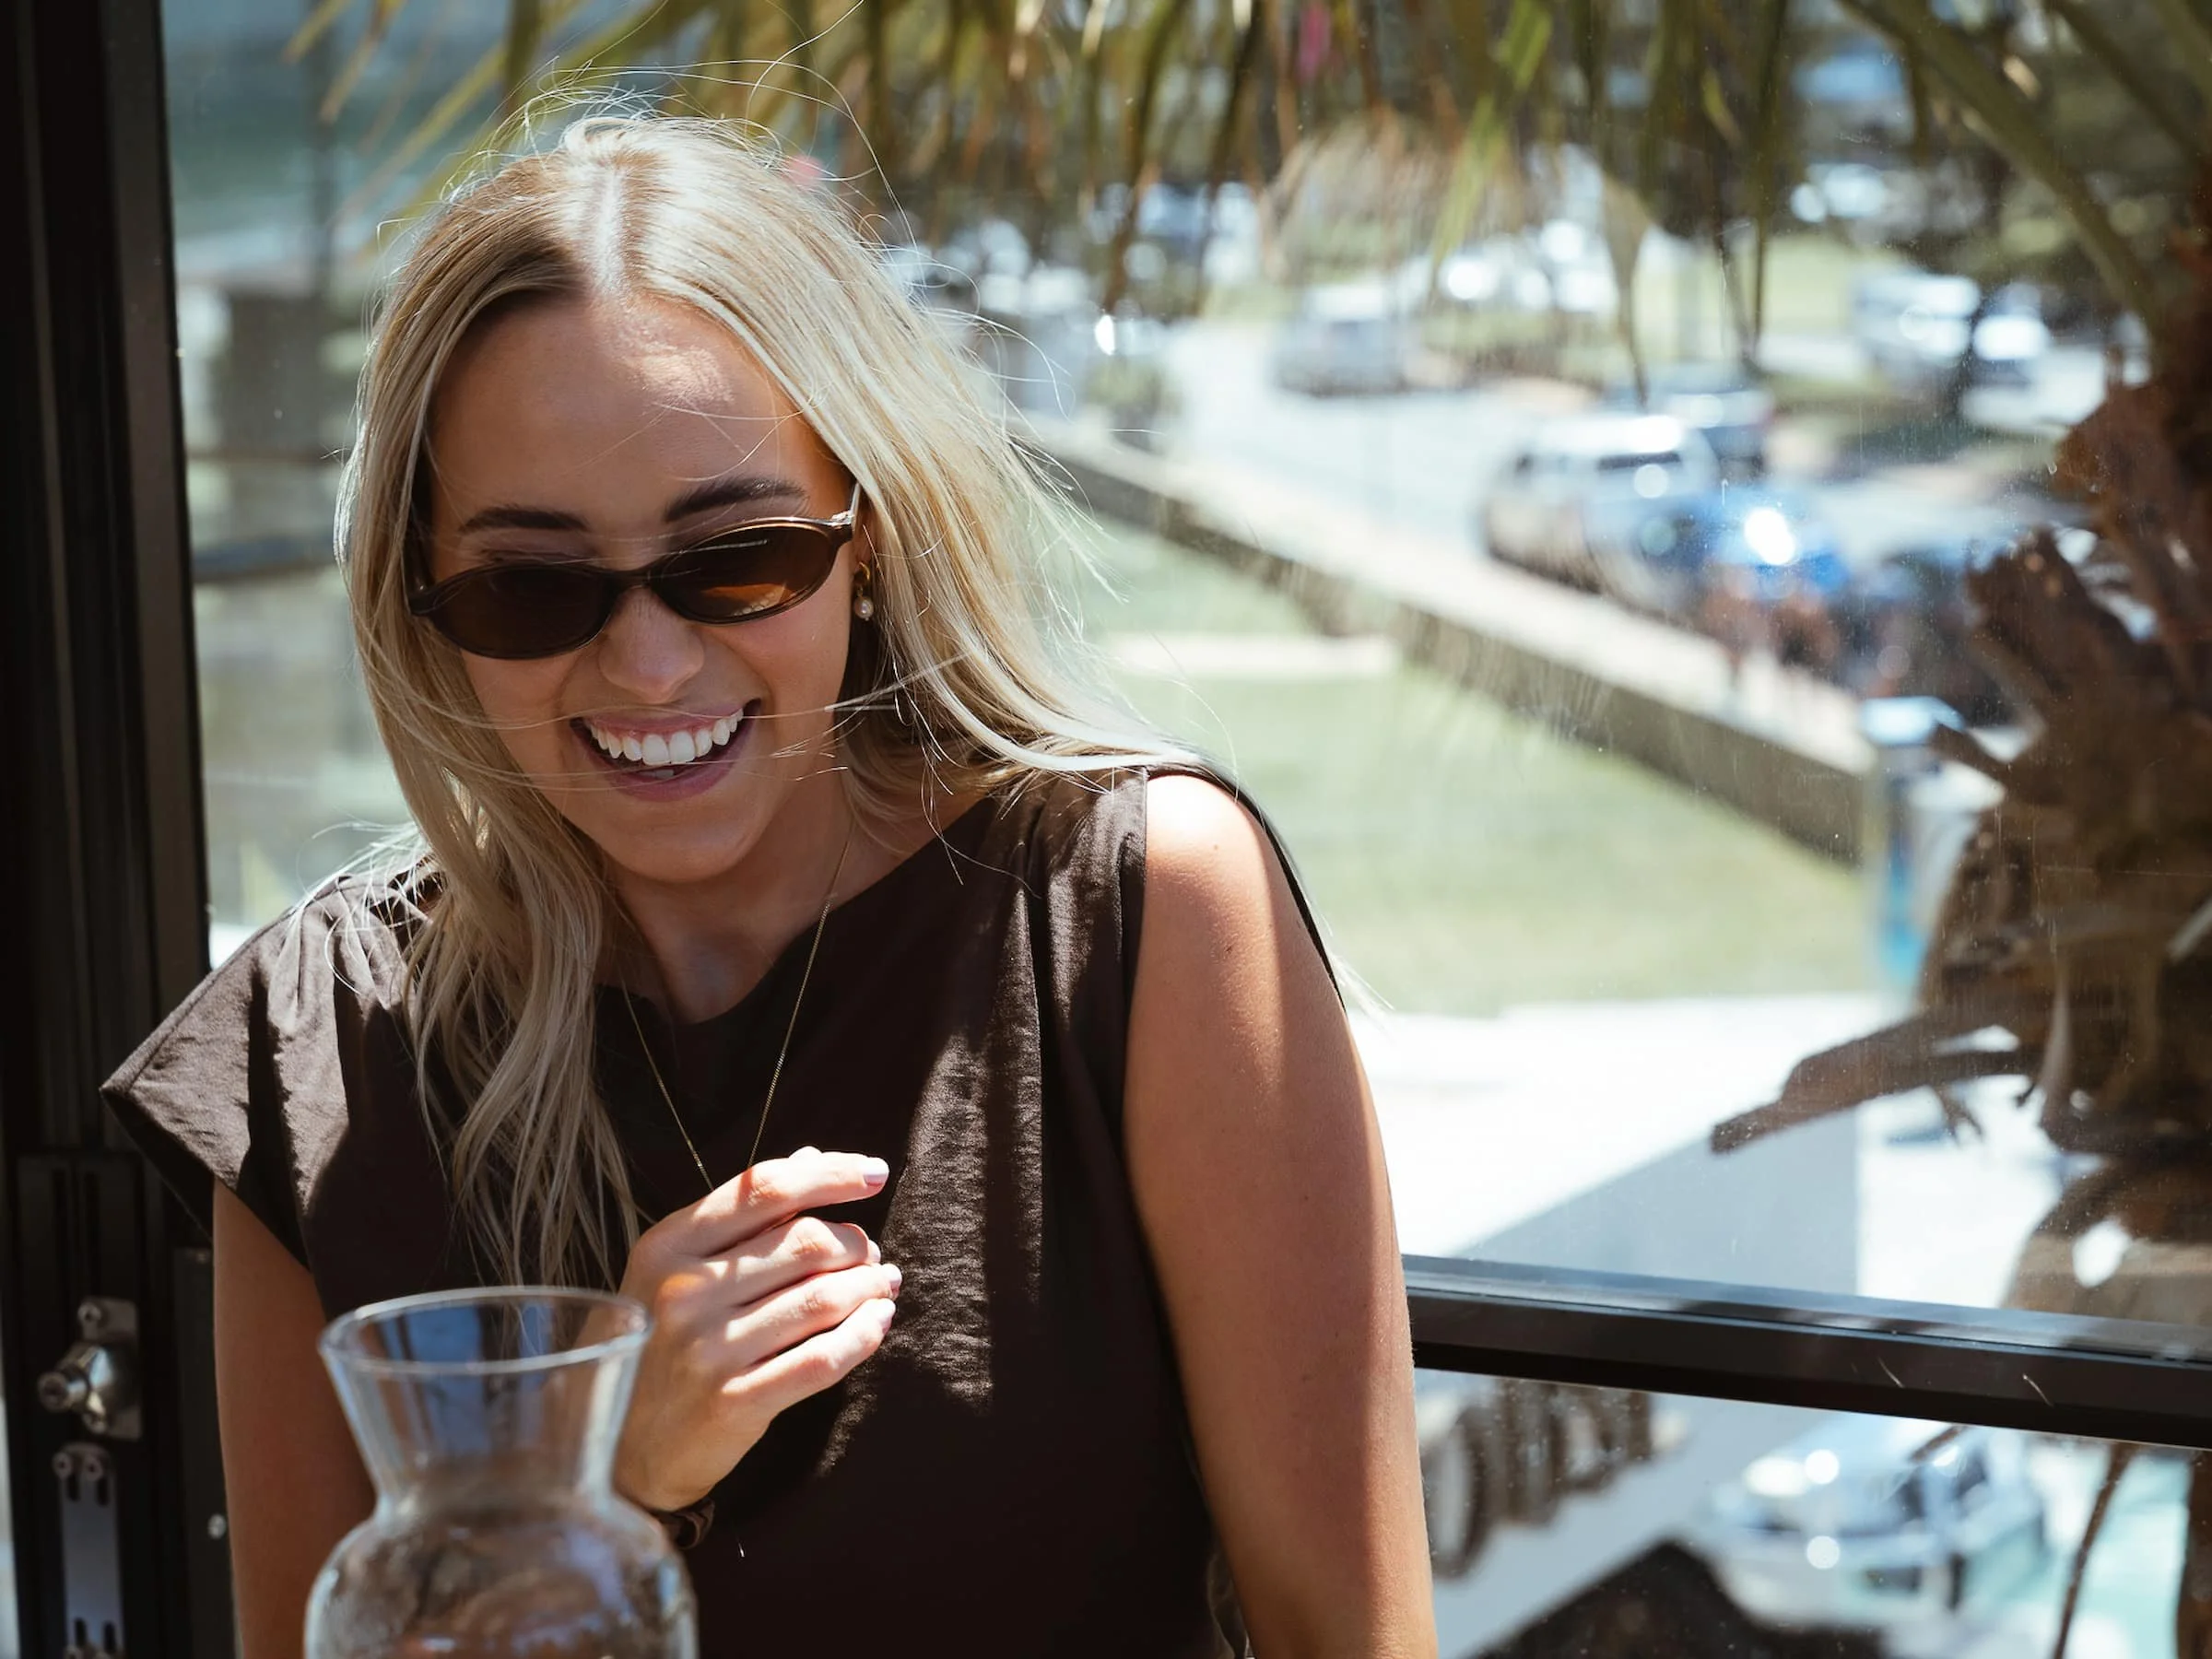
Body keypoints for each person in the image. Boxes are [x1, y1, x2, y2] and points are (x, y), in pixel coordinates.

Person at [105, 116, 1434, 1659]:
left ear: (863, 538)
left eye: (736, 557)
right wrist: (609, 1480)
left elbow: (1353, 1635)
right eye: (532, 584)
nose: (651, 661)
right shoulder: (323, 1046)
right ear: (423, 598)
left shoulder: (1136, 913)